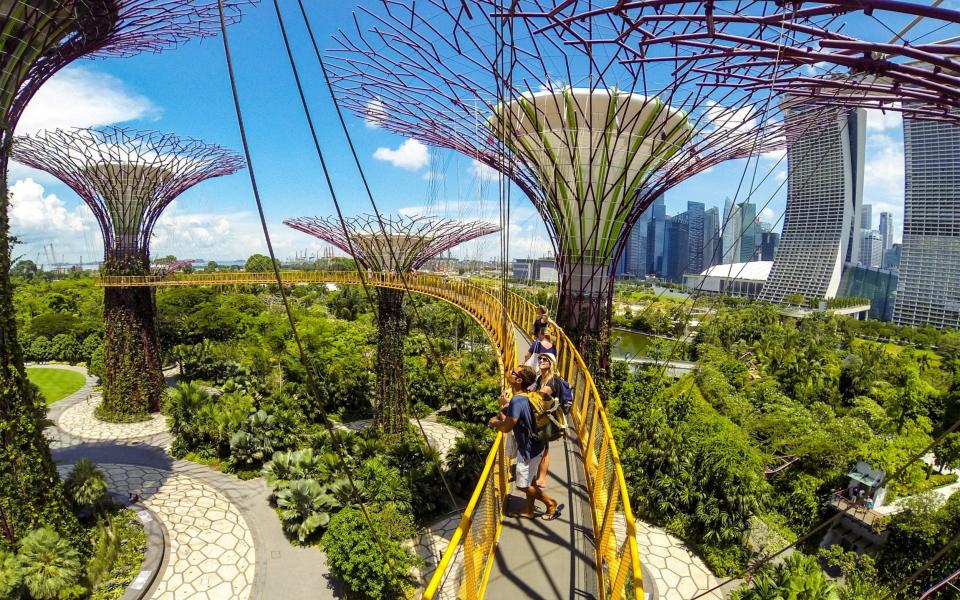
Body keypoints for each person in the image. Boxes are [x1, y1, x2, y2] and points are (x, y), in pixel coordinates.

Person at [489, 364, 560, 520]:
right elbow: (518, 418)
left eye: (512, 371)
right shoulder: (529, 395)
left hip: (529, 450)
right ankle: (529, 510)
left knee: (522, 485)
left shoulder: (516, 401)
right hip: (537, 445)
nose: (509, 371)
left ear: (518, 380)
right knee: (531, 479)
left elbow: (507, 428)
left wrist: (494, 422)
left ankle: (550, 503)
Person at [531, 352, 561, 488]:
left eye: (545, 359)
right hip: (541, 416)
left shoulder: (553, 380)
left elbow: (540, 395)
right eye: (540, 359)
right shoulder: (540, 378)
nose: (541, 361)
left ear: (550, 363)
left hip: (549, 419)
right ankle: (539, 476)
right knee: (543, 446)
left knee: (544, 448)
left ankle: (542, 479)